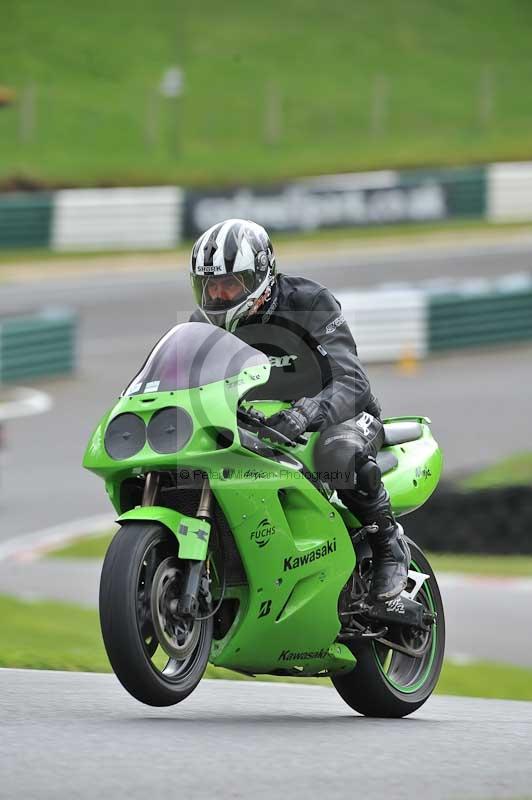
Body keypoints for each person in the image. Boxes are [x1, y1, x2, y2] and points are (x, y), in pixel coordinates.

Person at [189, 218, 410, 601]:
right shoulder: (201, 326)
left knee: (336, 452)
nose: (220, 295)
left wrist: (307, 413)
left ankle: (389, 545)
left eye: (230, 284)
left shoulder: (309, 302)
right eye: (211, 286)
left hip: (342, 418)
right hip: (263, 429)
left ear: (261, 274)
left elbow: (352, 381)